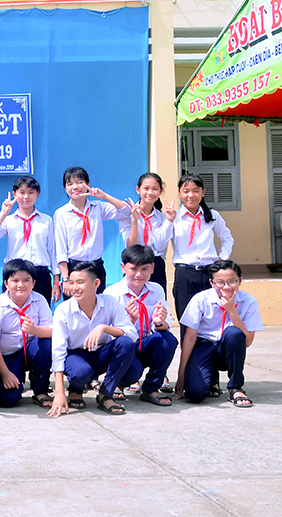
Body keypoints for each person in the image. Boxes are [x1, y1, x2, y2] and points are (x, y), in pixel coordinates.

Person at [47, 262, 137, 418]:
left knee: (126, 347)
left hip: (100, 353)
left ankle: (105, 394)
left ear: (96, 283)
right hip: (75, 356)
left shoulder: (109, 302)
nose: (74, 288)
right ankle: (75, 389)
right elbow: (58, 351)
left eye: (80, 282)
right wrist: (59, 393)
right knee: (80, 372)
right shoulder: (63, 310)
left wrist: (104, 327)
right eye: (71, 282)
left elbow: (131, 334)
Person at [177, 260, 263, 408]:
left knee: (234, 334)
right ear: (212, 283)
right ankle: (211, 379)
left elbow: (247, 341)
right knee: (195, 393)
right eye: (220, 282)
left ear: (240, 281)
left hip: (228, 348)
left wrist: (232, 310)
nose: (226, 287)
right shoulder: (200, 299)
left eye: (232, 281)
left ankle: (236, 388)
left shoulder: (249, 302)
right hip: (204, 346)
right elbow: (189, 338)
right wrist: (181, 375)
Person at [103, 244, 177, 406]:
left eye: (145, 269)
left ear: (152, 268)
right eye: (133, 269)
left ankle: (151, 388)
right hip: (120, 347)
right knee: (133, 371)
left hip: (143, 343)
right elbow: (105, 334)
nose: (139, 274)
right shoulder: (112, 294)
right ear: (123, 267)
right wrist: (130, 321)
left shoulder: (156, 290)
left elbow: (165, 326)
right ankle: (118, 383)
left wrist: (159, 322)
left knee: (168, 339)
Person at [167, 174, 234, 329]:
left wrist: (221, 259)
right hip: (184, 273)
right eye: (186, 191)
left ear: (203, 192)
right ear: (179, 193)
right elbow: (162, 240)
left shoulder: (213, 215)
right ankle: (187, 346)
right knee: (186, 319)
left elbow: (227, 238)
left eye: (196, 190)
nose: (191, 195)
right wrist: (169, 221)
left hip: (209, 272)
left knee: (212, 318)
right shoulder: (174, 217)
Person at [0, 176, 60, 305]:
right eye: (22, 192)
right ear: (14, 194)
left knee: (41, 312)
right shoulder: (8, 220)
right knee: (12, 312)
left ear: (37, 194)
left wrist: (57, 282)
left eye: (31, 192)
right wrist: (3, 213)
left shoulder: (46, 220)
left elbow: (53, 251)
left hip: (40, 274)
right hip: (15, 274)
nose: (26, 197)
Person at [0, 259, 53, 408]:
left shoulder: (39, 300)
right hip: (7, 356)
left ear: (33, 283)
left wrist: (34, 330)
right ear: (6, 283)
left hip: (31, 351)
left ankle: (40, 390)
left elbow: (51, 331)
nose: (21, 285)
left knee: (46, 344)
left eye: (26, 280)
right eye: (15, 280)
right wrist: (5, 373)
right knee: (7, 400)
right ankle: (10, 379)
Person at [54, 166, 129, 293]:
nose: (75, 187)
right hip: (74, 267)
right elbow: (60, 248)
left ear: (88, 184)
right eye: (70, 184)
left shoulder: (98, 207)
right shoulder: (61, 213)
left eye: (79, 182)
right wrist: (65, 278)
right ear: (65, 189)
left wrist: (104, 196)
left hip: (96, 266)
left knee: (99, 302)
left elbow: (126, 211)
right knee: (75, 304)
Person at [120, 173, 170, 290]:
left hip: (155, 265)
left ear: (161, 191)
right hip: (134, 262)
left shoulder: (163, 217)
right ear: (138, 190)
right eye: (146, 188)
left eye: (155, 189)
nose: (150, 192)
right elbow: (130, 246)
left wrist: (169, 221)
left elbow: (161, 247)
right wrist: (135, 220)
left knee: (156, 298)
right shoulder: (127, 215)